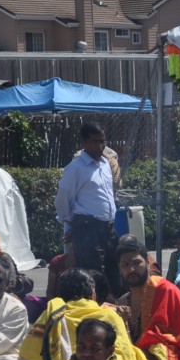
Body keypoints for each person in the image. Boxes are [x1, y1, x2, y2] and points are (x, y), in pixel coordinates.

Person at [11, 268, 153, 360]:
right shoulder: (108, 315)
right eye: (81, 347)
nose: (86, 353)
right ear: (92, 292)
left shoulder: (49, 317)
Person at [55, 122, 120, 297]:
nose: (100, 146)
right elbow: (62, 200)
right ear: (84, 142)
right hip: (87, 228)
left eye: (103, 141)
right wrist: (73, 223)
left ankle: (114, 308)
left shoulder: (105, 164)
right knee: (94, 275)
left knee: (115, 272)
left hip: (108, 227)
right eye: (95, 142)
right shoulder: (75, 168)